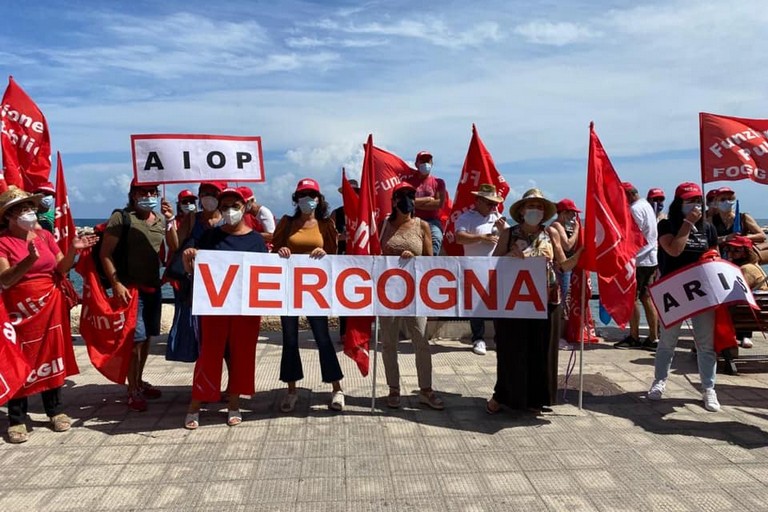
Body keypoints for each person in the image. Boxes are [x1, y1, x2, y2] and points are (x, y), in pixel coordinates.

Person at [0, 186, 97, 443]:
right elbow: (5, 279)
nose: (28, 213)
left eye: (30, 208)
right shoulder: (3, 243)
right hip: (20, 309)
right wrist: (27, 261)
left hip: (50, 304)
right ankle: (17, 418)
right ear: (8, 216)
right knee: (20, 358)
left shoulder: (44, 236)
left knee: (51, 354)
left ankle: (55, 410)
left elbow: (61, 267)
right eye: (21, 210)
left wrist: (74, 249)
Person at [487, 189, 581, 414]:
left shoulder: (551, 234)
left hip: (547, 301)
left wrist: (585, 254)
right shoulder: (508, 234)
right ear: (521, 211)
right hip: (514, 301)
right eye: (531, 206)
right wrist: (509, 256)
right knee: (511, 350)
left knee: (540, 351)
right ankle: (503, 396)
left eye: (539, 207)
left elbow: (563, 265)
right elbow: (492, 263)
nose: (536, 211)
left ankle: (535, 399)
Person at [182, 187, 267, 429]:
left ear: (245, 207)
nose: (230, 210)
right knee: (209, 354)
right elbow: (193, 271)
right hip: (215, 308)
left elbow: (267, 273)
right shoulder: (210, 236)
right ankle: (196, 404)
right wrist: (189, 258)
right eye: (225, 205)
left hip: (245, 309)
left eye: (235, 205)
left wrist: (282, 255)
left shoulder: (256, 240)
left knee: (242, 355)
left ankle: (234, 404)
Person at [100, 179, 177, 411]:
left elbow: (174, 246)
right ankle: (132, 389)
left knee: (146, 340)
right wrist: (116, 284)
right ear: (133, 194)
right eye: (143, 191)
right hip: (130, 289)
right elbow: (105, 253)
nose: (149, 195)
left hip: (152, 288)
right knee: (135, 340)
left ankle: (139, 381)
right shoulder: (121, 218)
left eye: (153, 191)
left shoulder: (161, 219)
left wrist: (171, 219)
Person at [647, 182, 721, 412]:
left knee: (705, 344)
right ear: (679, 203)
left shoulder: (708, 228)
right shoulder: (667, 225)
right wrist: (688, 224)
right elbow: (674, 250)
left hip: (702, 292)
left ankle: (708, 388)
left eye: (697, 200)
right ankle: (659, 381)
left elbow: (715, 254)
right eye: (689, 201)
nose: (694, 205)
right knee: (668, 342)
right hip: (675, 291)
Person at [273, 178, 345, 412]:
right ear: (296, 198)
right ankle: (291, 390)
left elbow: (334, 254)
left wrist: (324, 251)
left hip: (315, 291)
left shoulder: (326, 224)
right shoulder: (287, 222)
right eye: (303, 194)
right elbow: (274, 250)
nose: (308, 199)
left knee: (323, 337)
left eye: (312, 195)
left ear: (319, 199)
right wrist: (282, 250)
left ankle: (336, 388)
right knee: (290, 339)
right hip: (289, 289)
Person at [378, 181, 444, 409]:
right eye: (403, 195)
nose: (407, 199)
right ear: (394, 200)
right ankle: (393, 389)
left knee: (421, 340)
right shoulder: (383, 225)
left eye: (411, 194)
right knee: (388, 343)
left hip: (415, 293)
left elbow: (429, 261)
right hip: (387, 294)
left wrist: (413, 259)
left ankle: (426, 389)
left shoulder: (422, 226)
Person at [454, 183, 507, 356]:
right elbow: (459, 238)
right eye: (489, 203)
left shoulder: (498, 218)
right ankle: (478, 338)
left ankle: (501, 339)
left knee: (499, 305)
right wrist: (480, 238)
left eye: (494, 204)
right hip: (474, 267)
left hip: (495, 268)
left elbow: (510, 240)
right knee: (476, 307)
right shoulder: (466, 218)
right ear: (478, 201)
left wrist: (503, 231)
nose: (493, 207)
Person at [614, 183, 659, 351]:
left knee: (633, 299)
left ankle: (634, 336)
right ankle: (653, 336)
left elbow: (634, 236)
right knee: (646, 298)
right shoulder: (646, 205)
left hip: (639, 259)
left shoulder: (635, 209)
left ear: (628, 195)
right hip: (650, 258)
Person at [723, 236, 767, 349]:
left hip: (748, 317)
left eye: (737, 250)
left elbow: (734, 293)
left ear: (746, 252)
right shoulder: (754, 267)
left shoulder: (746, 269)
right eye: (728, 249)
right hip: (758, 316)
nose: (731, 253)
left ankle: (715, 345)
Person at [330, 178, 360, 344]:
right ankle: (344, 331)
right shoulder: (337, 213)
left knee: (359, 296)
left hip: (360, 259)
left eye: (355, 192)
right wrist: (343, 237)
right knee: (344, 296)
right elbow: (329, 235)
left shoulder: (364, 211)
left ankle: (358, 332)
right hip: (343, 258)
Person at [405, 151, 447, 256]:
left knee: (436, 239)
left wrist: (415, 202)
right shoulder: (408, 182)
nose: (425, 163)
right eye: (422, 161)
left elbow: (439, 204)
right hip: (413, 220)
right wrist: (428, 199)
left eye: (428, 161)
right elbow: (407, 202)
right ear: (416, 164)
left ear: (432, 163)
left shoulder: (438, 182)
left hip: (432, 221)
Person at [549, 199, 581, 317]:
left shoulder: (564, 226)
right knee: (563, 296)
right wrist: (577, 229)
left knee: (566, 296)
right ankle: (560, 323)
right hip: (561, 266)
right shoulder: (557, 225)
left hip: (567, 265)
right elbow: (567, 246)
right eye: (572, 213)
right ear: (564, 213)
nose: (574, 216)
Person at [711, 186, 765, 254]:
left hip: (742, 256)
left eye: (730, 199)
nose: (726, 202)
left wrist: (743, 238)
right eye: (722, 199)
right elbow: (709, 240)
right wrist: (726, 238)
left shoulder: (743, 217)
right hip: (722, 257)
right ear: (716, 202)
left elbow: (762, 235)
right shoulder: (711, 220)